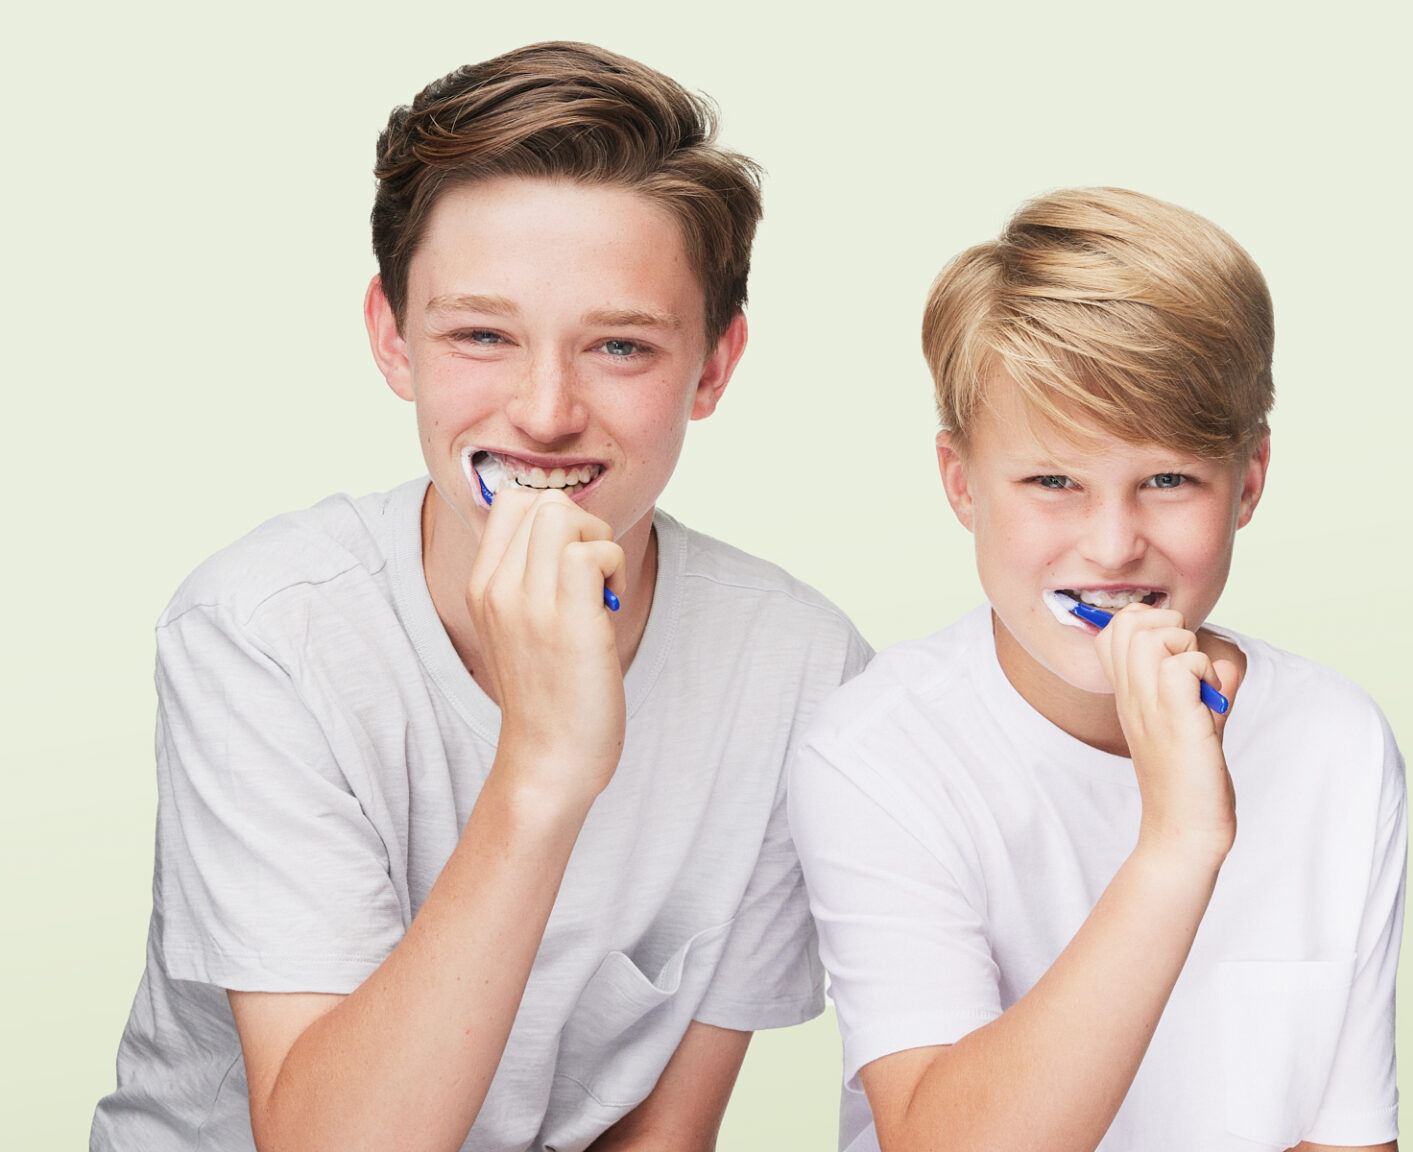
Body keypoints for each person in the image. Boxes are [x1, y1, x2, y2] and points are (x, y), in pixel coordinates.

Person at [92, 42, 869, 1152]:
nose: (544, 412)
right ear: (393, 337)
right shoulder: (263, 631)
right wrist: (543, 768)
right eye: (482, 336)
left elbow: (664, 1136)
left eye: (620, 346)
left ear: (712, 365)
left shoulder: (798, 670)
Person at [789, 187, 1405, 1152]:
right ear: (961, 483)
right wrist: (1178, 844)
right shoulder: (876, 751)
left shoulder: (1338, 743)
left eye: (1167, 479)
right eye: (1053, 481)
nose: (1113, 547)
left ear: (1248, 482)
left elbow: (1345, 1136)